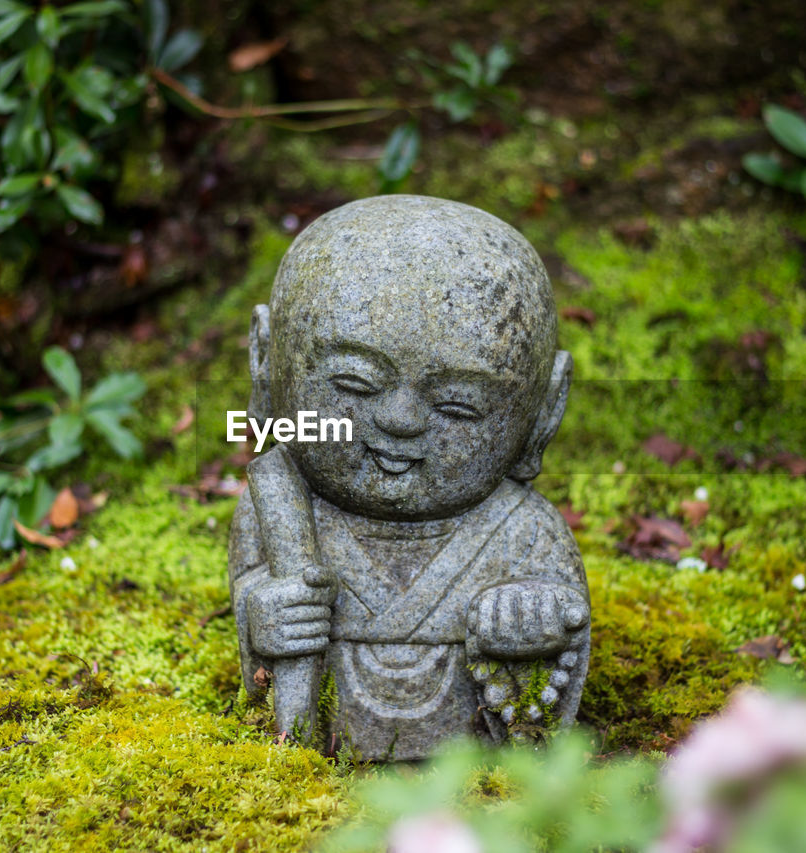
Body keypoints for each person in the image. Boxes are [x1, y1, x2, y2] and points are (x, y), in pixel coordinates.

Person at [228, 195, 590, 761]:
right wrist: (264, 617)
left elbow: (565, 623)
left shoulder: (522, 529)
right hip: (312, 779)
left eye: (460, 405)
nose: (400, 421)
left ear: (543, 412)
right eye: (353, 382)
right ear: (265, 363)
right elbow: (254, 605)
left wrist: (532, 626)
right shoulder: (277, 507)